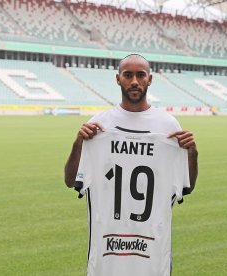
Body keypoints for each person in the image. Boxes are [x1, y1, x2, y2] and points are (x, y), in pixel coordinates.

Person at [64, 54, 198, 275]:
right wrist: (78, 144)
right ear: (118, 79)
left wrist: (192, 154)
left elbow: (186, 187)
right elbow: (71, 181)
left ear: (150, 79)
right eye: (128, 75)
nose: (134, 81)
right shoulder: (99, 125)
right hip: (107, 252)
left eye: (140, 75)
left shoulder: (168, 125)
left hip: (152, 253)